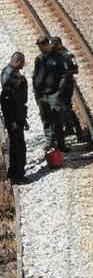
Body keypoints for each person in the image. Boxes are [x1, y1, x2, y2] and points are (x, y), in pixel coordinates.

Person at [32, 35, 69, 151]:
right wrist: (36, 93)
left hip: (54, 93)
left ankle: (61, 143)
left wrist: (59, 91)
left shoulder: (57, 58)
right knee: (46, 118)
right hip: (42, 94)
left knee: (57, 117)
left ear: (47, 44)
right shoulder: (39, 59)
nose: (41, 48)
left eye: (42, 45)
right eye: (39, 46)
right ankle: (49, 141)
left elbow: (64, 75)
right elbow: (35, 76)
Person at [49, 37, 86, 142]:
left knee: (66, 108)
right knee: (62, 107)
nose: (53, 48)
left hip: (66, 85)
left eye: (55, 46)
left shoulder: (67, 55)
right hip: (58, 85)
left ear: (59, 44)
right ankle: (69, 128)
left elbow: (76, 70)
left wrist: (64, 72)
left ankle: (78, 131)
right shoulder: (54, 55)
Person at [1, 52, 30, 184]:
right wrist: (13, 120)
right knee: (18, 147)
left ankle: (13, 174)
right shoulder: (15, 79)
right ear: (18, 62)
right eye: (22, 62)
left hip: (14, 117)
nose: (23, 65)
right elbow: (10, 102)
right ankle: (18, 176)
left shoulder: (5, 71)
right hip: (14, 118)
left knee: (14, 146)